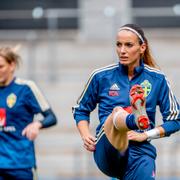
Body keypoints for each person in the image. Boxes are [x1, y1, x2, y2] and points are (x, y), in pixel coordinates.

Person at [72, 24, 180, 180]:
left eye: (128, 45)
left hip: (140, 150)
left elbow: (175, 120)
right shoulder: (100, 76)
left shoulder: (157, 79)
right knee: (118, 112)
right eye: (118, 44)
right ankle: (134, 118)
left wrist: (146, 135)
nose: (122, 50)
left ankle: (136, 119)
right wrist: (85, 135)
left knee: (145, 163)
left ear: (142, 47)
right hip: (108, 147)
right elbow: (81, 109)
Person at [0, 46, 57, 180]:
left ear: (12, 65)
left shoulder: (26, 88)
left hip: (21, 165)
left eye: (1, 66)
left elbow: (51, 117)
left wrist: (37, 124)